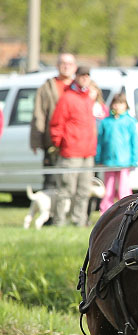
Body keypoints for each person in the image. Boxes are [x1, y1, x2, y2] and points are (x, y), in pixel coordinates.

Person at [48, 66, 98, 226]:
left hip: (87, 152)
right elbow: (56, 123)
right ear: (76, 77)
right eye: (82, 75)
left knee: (84, 191)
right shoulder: (67, 98)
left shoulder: (89, 98)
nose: (84, 78)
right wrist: (59, 143)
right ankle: (59, 221)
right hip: (71, 152)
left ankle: (80, 221)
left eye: (87, 75)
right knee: (66, 190)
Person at [30, 53, 77, 189]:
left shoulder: (82, 87)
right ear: (57, 66)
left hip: (75, 144)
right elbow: (38, 114)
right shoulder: (47, 87)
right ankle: (50, 211)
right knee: (51, 180)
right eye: (63, 63)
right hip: (53, 143)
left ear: (75, 67)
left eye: (69, 64)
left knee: (72, 183)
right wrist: (36, 140)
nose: (66, 67)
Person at [96, 93, 138, 213]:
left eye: (121, 103)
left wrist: (134, 160)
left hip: (124, 161)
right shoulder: (106, 122)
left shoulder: (129, 121)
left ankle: (127, 210)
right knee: (108, 189)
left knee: (123, 189)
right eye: (115, 103)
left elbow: (134, 142)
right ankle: (105, 212)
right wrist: (98, 158)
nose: (117, 106)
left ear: (126, 106)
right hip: (108, 161)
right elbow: (100, 142)